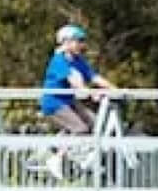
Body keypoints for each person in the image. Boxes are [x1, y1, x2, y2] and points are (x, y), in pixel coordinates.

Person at [34, 24, 115, 178]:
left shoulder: (78, 60)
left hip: (69, 101)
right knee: (80, 129)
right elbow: (74, 79)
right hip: (54, 103)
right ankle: (56, 159)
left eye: (82, 41)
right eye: (78, 41)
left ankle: (57, 144)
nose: (81, 44)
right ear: (66, 42)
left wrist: (115, 89)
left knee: (95, 124)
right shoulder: (59, 60)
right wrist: (89, 93)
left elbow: (94, 76)